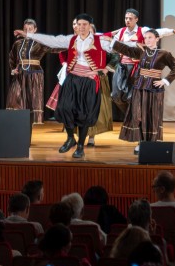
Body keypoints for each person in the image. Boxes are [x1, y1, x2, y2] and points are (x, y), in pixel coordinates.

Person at [16, 13, 121, 159]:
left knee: (84, 114)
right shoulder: (70, 39)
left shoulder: (100, 40)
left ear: (90, 26)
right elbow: (51, 40)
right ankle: (71, 137)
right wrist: (28, 35)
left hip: (89, 81)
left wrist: (107, 67)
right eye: (79, 24)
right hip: (72, 79)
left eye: (85, 24)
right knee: (64, 108)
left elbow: (119, 51)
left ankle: (80, 146)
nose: (81, 27)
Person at [108, 29, 175, 154]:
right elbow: (126, 49)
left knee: (152, 115)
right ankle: (141, 142)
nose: (147, 40)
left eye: (150, 37)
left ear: (157, 39)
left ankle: (152, 143)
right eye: (146, 38)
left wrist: (164, 81)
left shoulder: (164, 54)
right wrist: (111, 41)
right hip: (139, 87)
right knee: (138, 114)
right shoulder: (141, 51)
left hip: (154, 89)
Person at [107, 8, 175, 114]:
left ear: (136, 19)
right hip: (122, 66)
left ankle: (134, 118)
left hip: (136, 66)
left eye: (130, 18)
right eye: (126, 18)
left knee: (131, 96)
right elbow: (111, 46)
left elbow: (158, 32)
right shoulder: (121, 32)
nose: (127, 20)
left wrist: (173, 31)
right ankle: (129, 115)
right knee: (116, 96)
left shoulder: (143, 30)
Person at [7, 18, 63, 124]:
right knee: (14, 97)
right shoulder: (18, 43)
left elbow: (54, 48)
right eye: (25, 29)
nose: (27, 31)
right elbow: (12, 58)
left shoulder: (40, 43)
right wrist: (13, 69)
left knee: (33, 99)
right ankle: (16, 123)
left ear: (35, 30)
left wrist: (71, 44)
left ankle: (32, 125)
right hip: (20, 74)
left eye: (30, 29)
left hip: (35, 75)